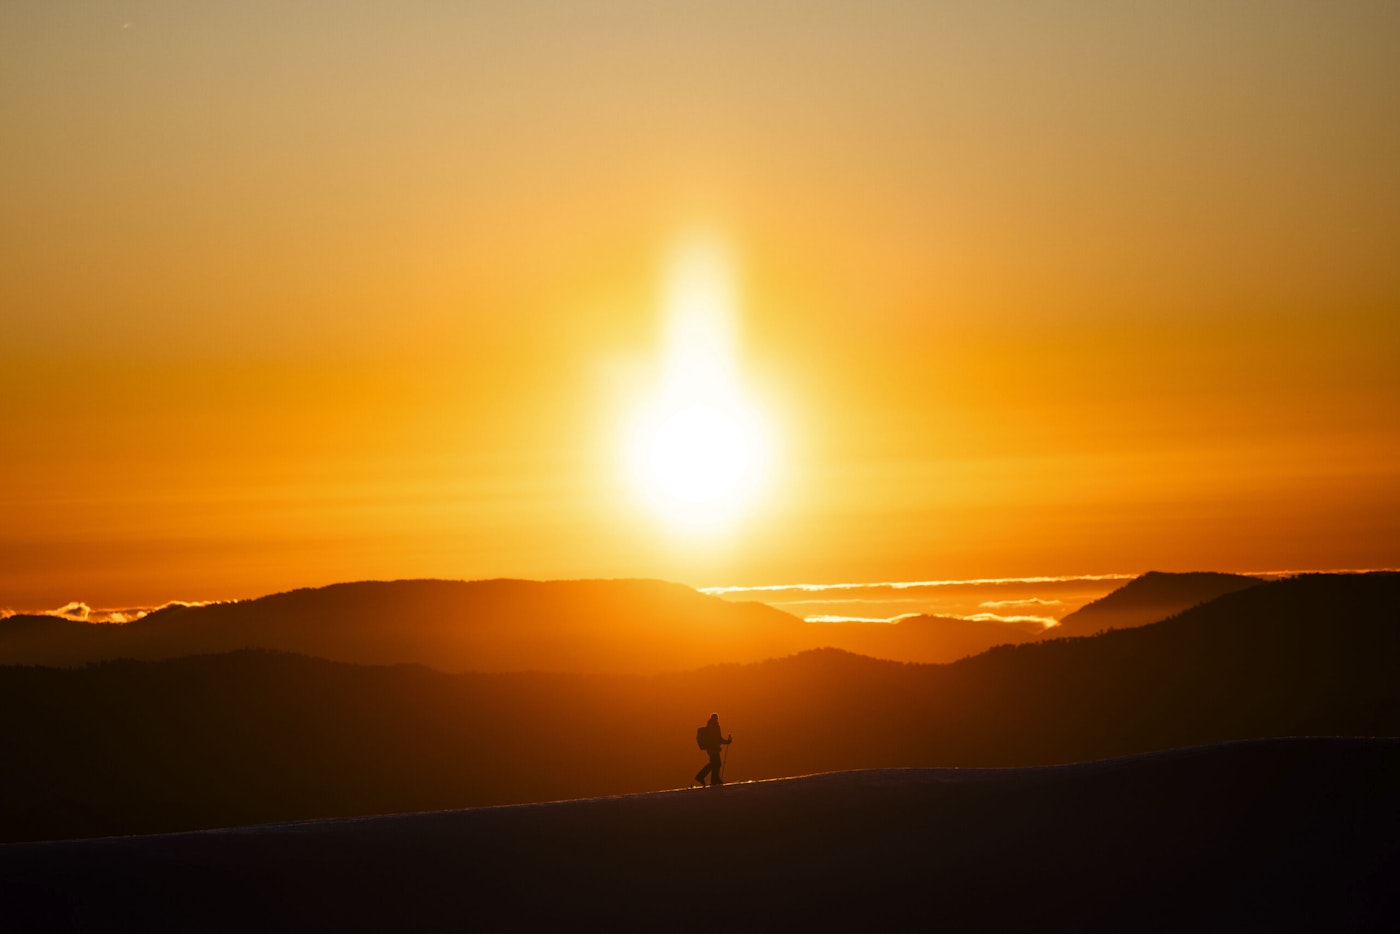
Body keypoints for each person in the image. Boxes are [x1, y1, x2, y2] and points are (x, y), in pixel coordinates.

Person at [694, 712, 733, 787]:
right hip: (714, 748)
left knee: (715, 763)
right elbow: (718, 738)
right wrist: (727, 742)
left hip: (710, 749)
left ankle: (714, 779)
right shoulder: (715, 726)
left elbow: (717, 738)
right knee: (716, 763)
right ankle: (703, 777)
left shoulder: (709, 726)